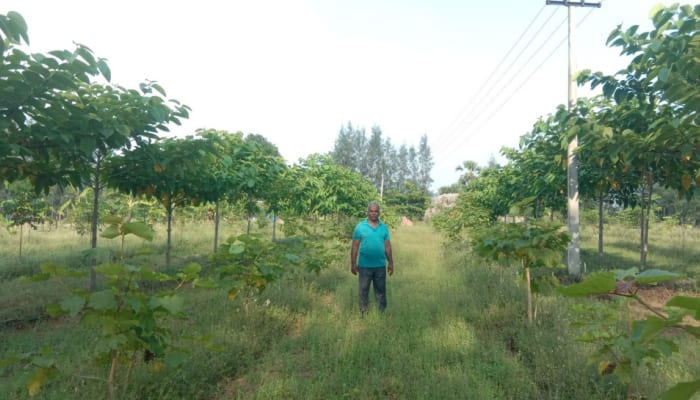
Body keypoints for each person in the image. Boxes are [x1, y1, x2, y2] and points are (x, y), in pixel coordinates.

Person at [351, 201, 394, 313]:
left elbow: (388, 247)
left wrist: (390, 263)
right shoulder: (360, 227)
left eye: (376, 211)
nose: (373, 213)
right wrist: (353, 264)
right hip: (364, 266)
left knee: (380, 291)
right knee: (363, 290)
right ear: (368, 212)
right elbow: (355, 246)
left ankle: (381, 313)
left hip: (380, 265)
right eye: (371, 211)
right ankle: (364, 313)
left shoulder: (384, 227)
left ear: (379, 213)